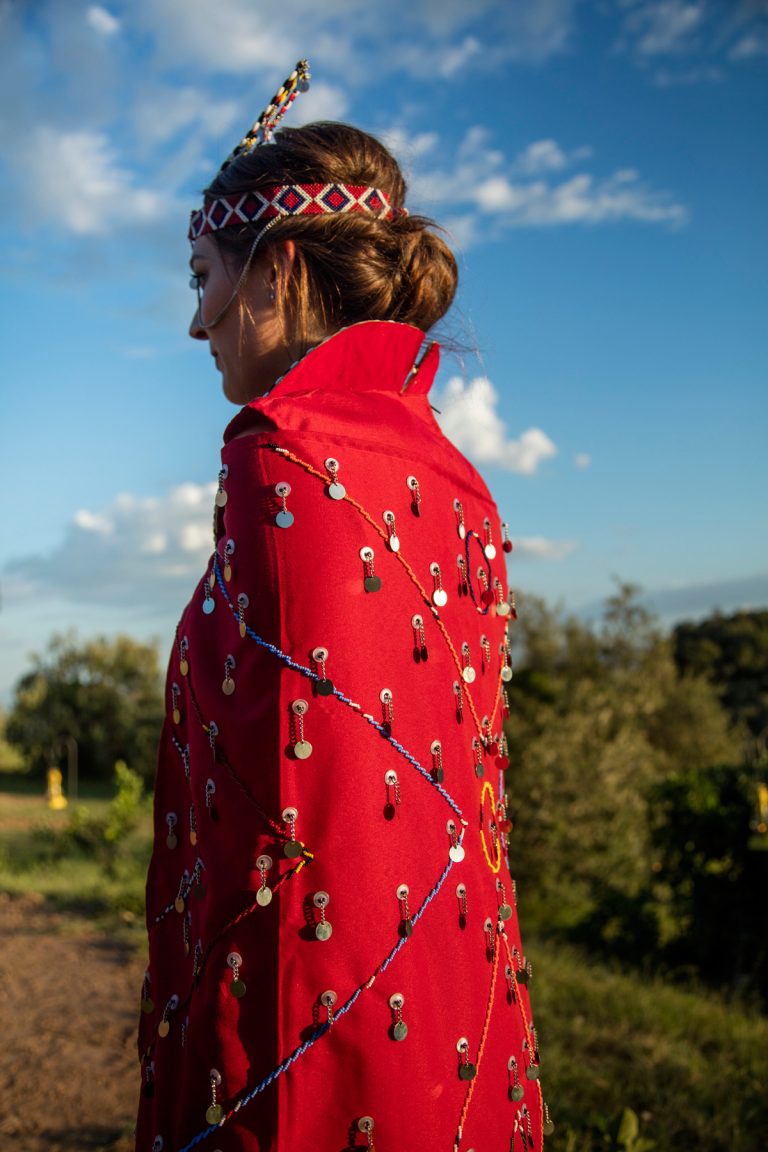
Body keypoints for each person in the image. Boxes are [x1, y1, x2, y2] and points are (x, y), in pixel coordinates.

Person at [136, 62, 549, 1152]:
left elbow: (290, 822)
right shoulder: (458, 477)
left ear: (274, 270)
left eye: (202, 276)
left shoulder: (283, 458)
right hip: (454, 1029)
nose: (197, 322)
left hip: (312, 1054)